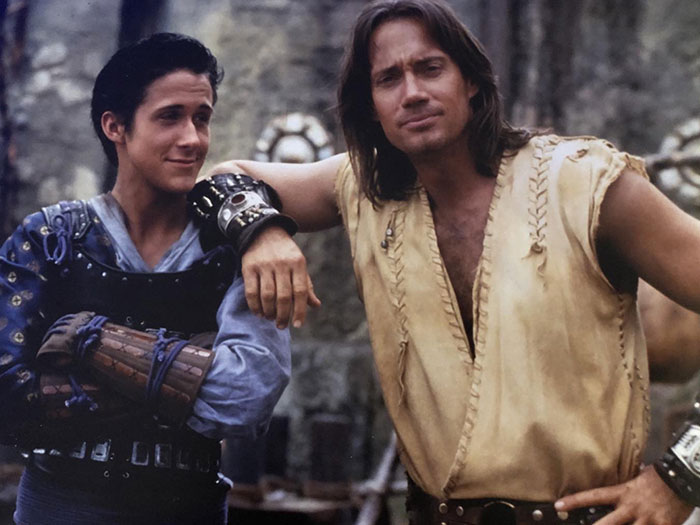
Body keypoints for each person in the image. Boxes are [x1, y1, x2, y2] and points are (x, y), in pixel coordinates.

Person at [196, 0, 700, 523]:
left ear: (472, 81)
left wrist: (681, 478)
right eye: (388, 79)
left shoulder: (586, 185)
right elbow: (222, 180)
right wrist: (262, 232)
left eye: (430, 68)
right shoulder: (363, 190)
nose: (412, 92)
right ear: (371, 104)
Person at [0, 33, 291, 525]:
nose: (193, 138)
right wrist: (189, 366)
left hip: (188, 510)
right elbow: (8, 394)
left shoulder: (235, 247)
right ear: (115, 125)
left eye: (202, 118)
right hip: (62, 507)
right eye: (170, 116)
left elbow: (247, 397)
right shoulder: (49, 238)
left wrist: (93, 344)